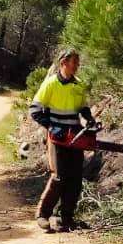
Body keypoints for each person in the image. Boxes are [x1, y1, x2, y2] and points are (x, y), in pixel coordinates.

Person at [29, 47, 97, 233]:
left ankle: (64, 218)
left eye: (78, 62)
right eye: (74, 62)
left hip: (75, 137)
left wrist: (89, 119)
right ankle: (42, 215)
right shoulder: (51, 84)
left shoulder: (79, 85)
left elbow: (83, 108)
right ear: (63, 63)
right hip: (56, 138)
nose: (77, 65)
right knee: (59, 177)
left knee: (75, 180)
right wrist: (51, 127)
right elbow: (34, 110)